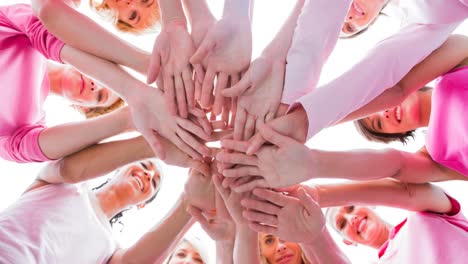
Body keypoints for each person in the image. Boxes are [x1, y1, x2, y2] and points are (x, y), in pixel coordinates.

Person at [216, 35, 468, 190]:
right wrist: (312, 162)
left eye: (377, 110)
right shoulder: (435, 156)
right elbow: (396, 166)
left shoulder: (458, 58)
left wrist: (307, 119)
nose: (385, 113)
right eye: (380, 125)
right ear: (399, 134)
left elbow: (397, 89)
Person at [1, 4, 211, 163]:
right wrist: (151, 70)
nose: (95, 84)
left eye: (100, 96)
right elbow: (48, 29)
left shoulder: (23, 125)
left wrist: (129, 119)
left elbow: (27, 150)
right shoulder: (24, 33)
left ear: (83, 107)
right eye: (102, 78)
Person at [0, 118, 211, 263]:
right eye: (145, 166)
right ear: (121, 167)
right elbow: (68, 169)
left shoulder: (110, 249)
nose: (147, 176)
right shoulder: (64, 185)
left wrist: (190, 200)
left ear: (142, 203)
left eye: (153, 183)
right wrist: (153, 146)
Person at [241, 179, 468, 263]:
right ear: (348, 242)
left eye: (350, 207)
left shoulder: (425, 215)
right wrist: (314, 238)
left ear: (370, 204)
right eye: (341, 224)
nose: (352, 218)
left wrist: (319, 194)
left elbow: (413, 191)